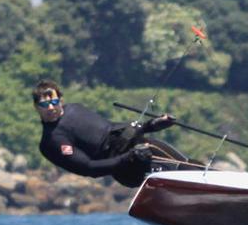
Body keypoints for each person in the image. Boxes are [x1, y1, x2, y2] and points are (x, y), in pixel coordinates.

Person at [33, 78, 176, 188]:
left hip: (138, 147)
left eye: (54, 101)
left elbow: (113, 129)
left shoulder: (74, 108)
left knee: (188, 166)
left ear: (61, 100)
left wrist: (151, 125)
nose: (51, 107)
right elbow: (89, 168)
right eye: (44, 104)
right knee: (171, 171)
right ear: (36, 107)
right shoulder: (50, 142)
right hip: (128, 168)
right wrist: (129, 157)